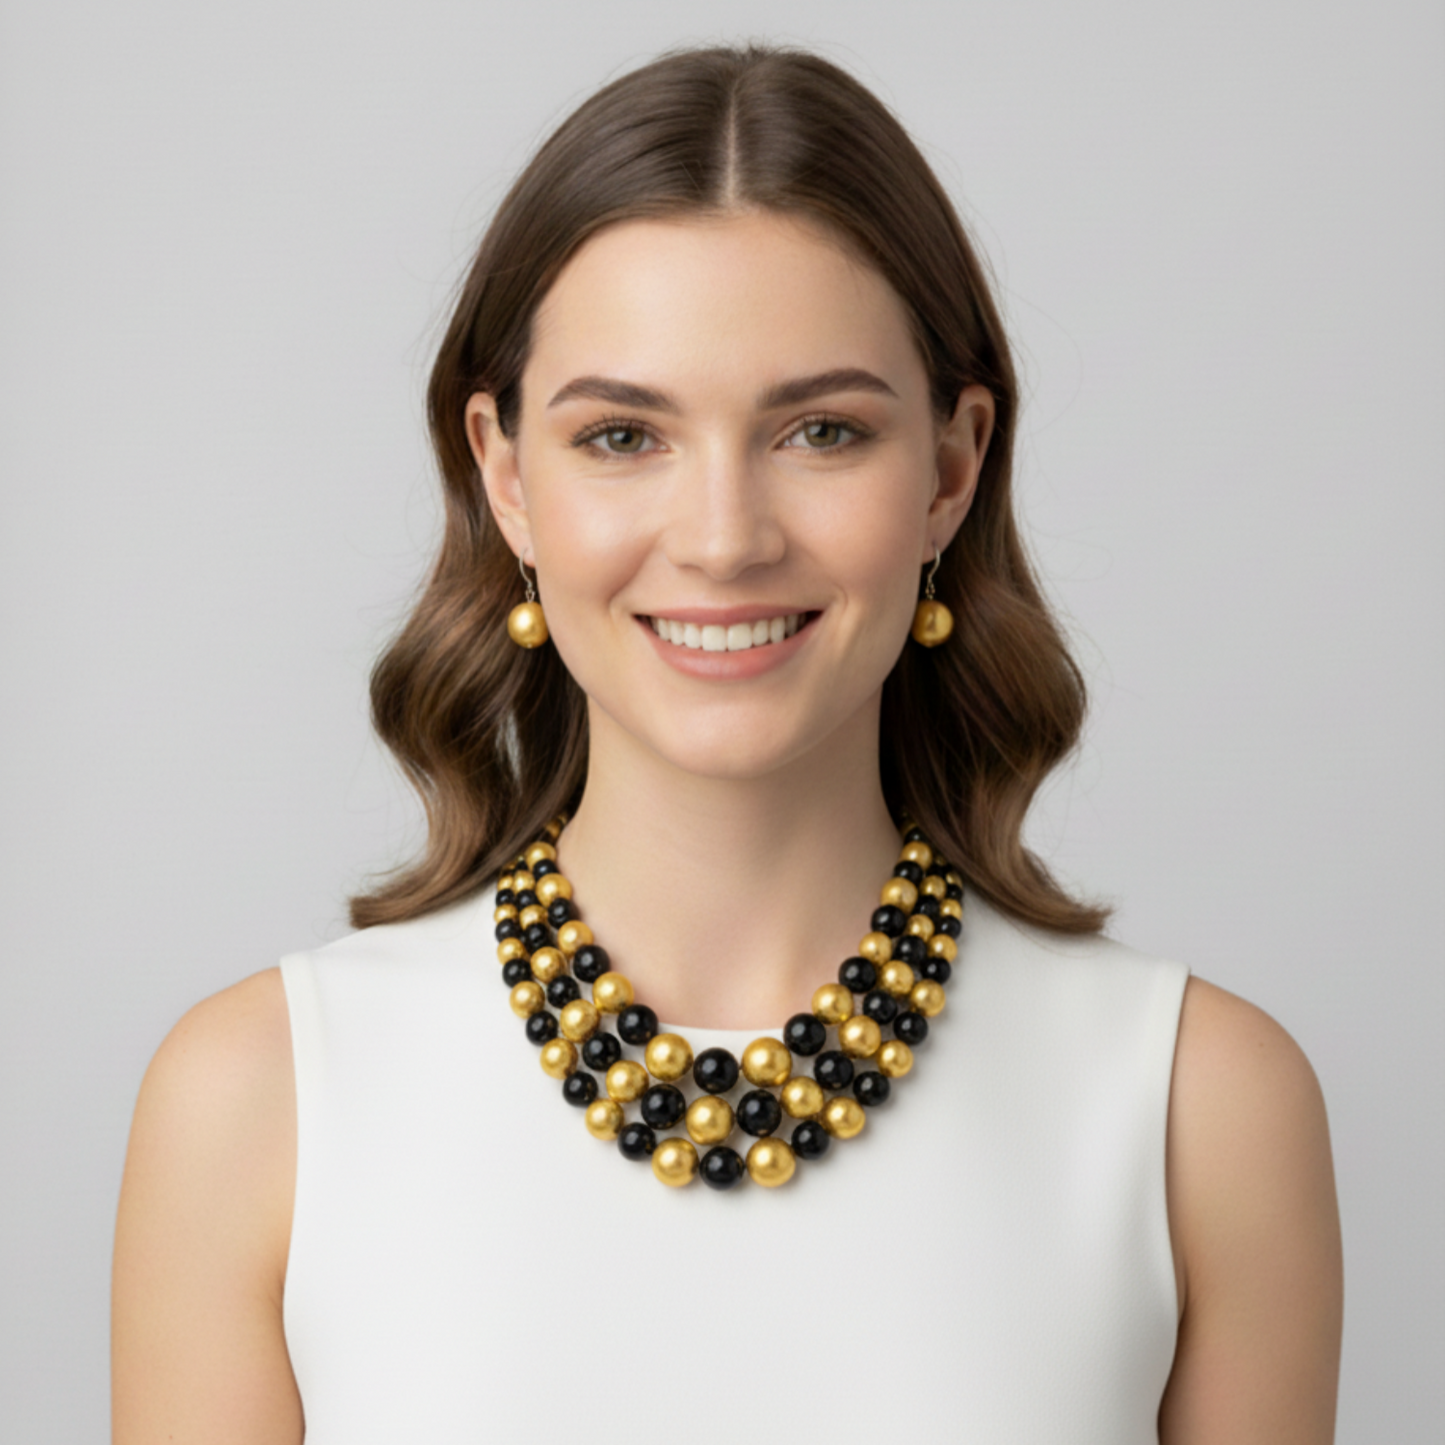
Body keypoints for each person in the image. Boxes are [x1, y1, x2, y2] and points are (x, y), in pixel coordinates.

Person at [111, 43, 1342, 1443]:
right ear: (504, 476)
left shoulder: (1203, 1110)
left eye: (820, 430)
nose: (723, 538)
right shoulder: (257, 1103)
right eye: (625, 437)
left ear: (951, 469)